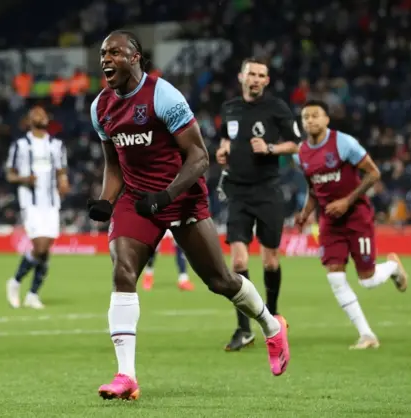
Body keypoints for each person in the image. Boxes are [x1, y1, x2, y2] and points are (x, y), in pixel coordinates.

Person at [87, 31, 290, 401]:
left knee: (221, 280)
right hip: (136, 198)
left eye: (114, 52)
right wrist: (105, 199)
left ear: (135, 58)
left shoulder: (163, 95)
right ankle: (126, 375)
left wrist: (165, 196)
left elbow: (199, 157)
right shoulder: (100, 107)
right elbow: (113, 164)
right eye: (103, 53)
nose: (106, 59)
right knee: (122, 271)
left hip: (180, 197)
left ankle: (272, 328)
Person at [293, 100, 408, 349]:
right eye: (306, 117)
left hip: (356, 217)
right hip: (329, 222)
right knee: (335, 277)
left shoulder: (343, 143)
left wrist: (347, 200)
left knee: (367, 280)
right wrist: (305, 214)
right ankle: (366, 335)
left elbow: (374, 172)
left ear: (326, 120)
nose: (310, 120)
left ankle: (392, 267)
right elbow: (313, 188)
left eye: (315, 115)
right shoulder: (301, 153)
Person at [215, 58, 299, 351]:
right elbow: (227, 136)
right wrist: (223, 150)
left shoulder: (276, 108)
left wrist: (271, 148)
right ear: (241, 76)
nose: (255, 78)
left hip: (267, 192)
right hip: (238, 191)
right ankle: (243, 328)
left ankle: (273, 318)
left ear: (267, 80)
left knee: (270, 260)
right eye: (251, 73)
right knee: (238, 262)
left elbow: (296, 142)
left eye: (261, 75)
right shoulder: (230, 108)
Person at [5, 106, 69, 309]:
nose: (41, 115)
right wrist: (24, 178)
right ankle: (15, 282)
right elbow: (10, 174)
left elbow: (61, 171)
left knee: (45, 250)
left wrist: (64, 181)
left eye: (43, 113)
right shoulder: (20, 145)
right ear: (29, 120)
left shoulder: (56, 145)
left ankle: (32, 294)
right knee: (40, 246)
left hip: (51, 202)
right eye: (36, 114)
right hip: (31, 202)